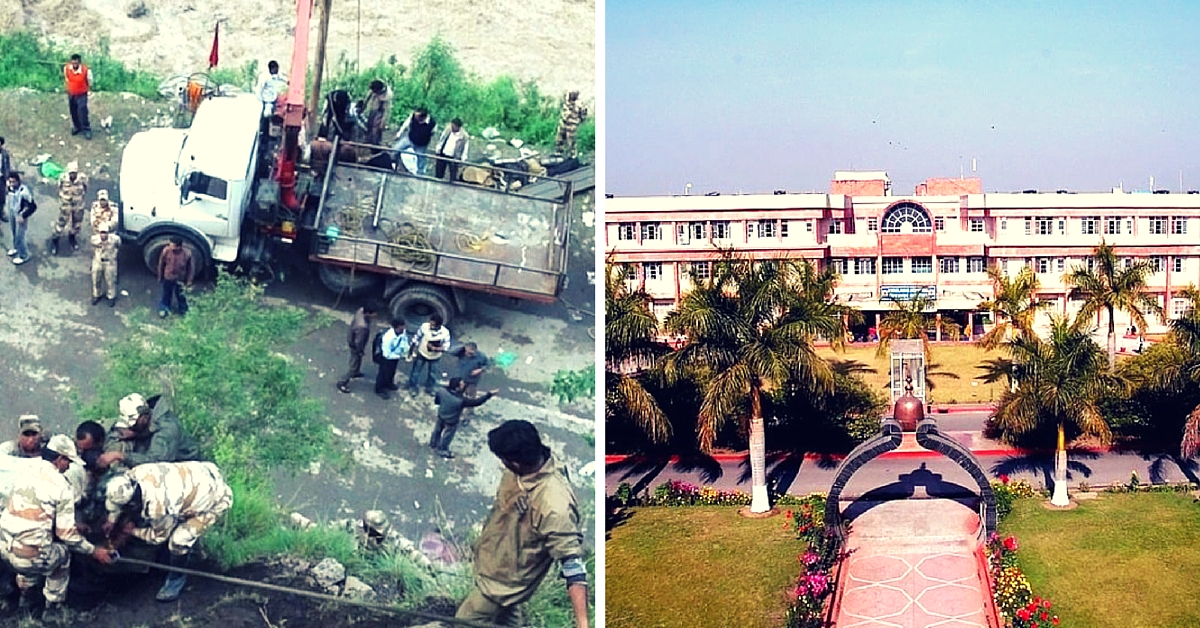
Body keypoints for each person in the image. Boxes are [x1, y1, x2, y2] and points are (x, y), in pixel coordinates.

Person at [455, 420, 588, 627]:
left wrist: (583, 624)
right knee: (507, 618)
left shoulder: (554, 505)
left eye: (502, 459)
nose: (501, 464)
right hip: (496, 561)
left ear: (515, 462)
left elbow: (572, 565)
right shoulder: (525, 468)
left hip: (502, 584)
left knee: (465, 621)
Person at [0, 435, 114, 621]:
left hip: (5, 547)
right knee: (62, 556)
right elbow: (67, 535)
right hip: (29, 556)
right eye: (68, 461)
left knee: (27, 548)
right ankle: (53, 609)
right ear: (60, 459)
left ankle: (26, 600)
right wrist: (93, 551)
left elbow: (32, 513)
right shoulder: (61, 486)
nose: (68, 466)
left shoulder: (27, 469)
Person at [104, 460, 232, 601]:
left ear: (133, 501)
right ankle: (194, 551)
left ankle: (176, 578)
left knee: (177, 541)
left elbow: (158, 537)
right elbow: (120, 504)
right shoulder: (134, 474)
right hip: (200, 475)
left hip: (214, 500)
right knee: (175, 519)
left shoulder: (157, 507)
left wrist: (133, 531)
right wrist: (112, 519)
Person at [96, 393, 202, 471]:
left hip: (187, 468)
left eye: (133, 424)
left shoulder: (168, 428)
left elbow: (157, 462)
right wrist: (137, 433)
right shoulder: (143, 424)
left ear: (144, 416)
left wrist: (121, 456)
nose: (131, 427)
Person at [430, 377, 498, 459]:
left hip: (441, 415)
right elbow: (476, 402)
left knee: (437, 430)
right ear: (457, 388)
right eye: (462, 384)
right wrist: (488, 394)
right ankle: (442, 450)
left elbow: (437, 401)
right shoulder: (460, 401)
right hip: (451, 420)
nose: (464, 385)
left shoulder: (441, 391)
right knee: (447, 436)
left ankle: (433, 443)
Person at [336, 302, 381, 394]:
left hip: (352, 337)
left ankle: (356, 372)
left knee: (357, 361)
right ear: (368, 313)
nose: (375, 315)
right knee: (354, 364)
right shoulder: (362, 327)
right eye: (374, 313)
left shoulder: (360, 311)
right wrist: (360, 351)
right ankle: (342, 382)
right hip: (355, 346)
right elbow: (359, 342)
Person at [408, 314, 451, 396]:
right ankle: (412, 387)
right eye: (430, 323)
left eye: (433, 325)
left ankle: (430, 388)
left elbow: (446, 346)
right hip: (422, 353)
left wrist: (436, 348)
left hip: (435, 356)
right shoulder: (424, 327)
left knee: (432, 374)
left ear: (439, 325)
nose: (430, 326)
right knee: (416, 371)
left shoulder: (445, 333)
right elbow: (417, 337)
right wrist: (412, 348)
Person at [51, 160, 88, 254]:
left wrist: (80, 198)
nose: (72, 175)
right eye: (71, 173)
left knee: (77, 224)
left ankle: (72, 238)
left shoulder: (83, 178)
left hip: (78, 205)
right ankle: (55, 241)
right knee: (60, 224)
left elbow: (86, 188)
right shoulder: (63, 178)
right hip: (66, 205)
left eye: (74, 173)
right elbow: (59, 188)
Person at [448, 342, 489, 416]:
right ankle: (456, 409)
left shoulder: (481, 356)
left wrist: (480, 370)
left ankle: (467, 415)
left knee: (470, 399)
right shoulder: (461, 352)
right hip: (460, 379)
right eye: (467, 352)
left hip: (472, 381)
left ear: (475, 351)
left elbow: (487, 365)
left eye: (470, 353)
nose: (468, 355)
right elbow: (450, 351)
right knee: (457, 395)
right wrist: (462, 347)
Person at [157, 236, 194, 318]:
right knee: (166, 294)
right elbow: (161, 264)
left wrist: (189, 281)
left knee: (181, 295)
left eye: (172, 245)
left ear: (178, 246)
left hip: (180, 279)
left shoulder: (187, 254)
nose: (170, 247)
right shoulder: (166, 251)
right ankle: (164, 308)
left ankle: (183, 310)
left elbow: (190, 268)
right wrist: (160, 276)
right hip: (168, 277)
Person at [375, 318, 412, 400]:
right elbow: (387, 354)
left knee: (391, 371)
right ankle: (379, 389)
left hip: (395, 356)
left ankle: (388, 383)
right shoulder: (388, 338)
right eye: (401, 328)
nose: (403, 329)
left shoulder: (402, 331)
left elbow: (404, 340)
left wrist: (406, 351)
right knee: (383, 373)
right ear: (396, 327)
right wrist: (400, 356)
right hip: (387, 358)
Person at [391, 107, 436, 174]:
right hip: (410, 139)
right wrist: (398, 134)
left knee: (421, 160)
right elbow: (405, 125)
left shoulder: (432, 123)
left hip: (421, 145)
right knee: (396, 149)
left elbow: (433, 132)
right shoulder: (412, 117)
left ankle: (420, 175)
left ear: (422, 117)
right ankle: (395, 164)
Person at [5, 171, 34, 265]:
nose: (12, 184)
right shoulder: (10, 188)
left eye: (14, 182)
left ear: (18, 181)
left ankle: (24, 255)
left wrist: (23, 216)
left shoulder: (24, 192)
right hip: (12, 213)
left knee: (20, 236)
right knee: (14, 232)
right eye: (10, 181)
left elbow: (32, 206)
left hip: (21, 216)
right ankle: (16, 248)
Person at [64, 53, 93, 140]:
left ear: (79, 62)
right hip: (71, 93)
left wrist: (88, 90)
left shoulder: (86, 71)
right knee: (73, 111)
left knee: (82, 111)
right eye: (73, 63)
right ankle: (77, 126)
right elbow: (67, 78)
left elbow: (90, 81)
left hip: (82, 94)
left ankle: (86, 129)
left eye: (76, 63)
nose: (74, 65)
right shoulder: (67, 68)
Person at [90, 224, 120, 307]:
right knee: (96, 279)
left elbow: (118, 246)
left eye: (105, 232)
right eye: (102, 232)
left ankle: (111, 296)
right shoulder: (94, 239)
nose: (103, 235)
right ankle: (96, 295)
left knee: (111, 280)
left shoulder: (115, 239)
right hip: (98, 261)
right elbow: (93, 248)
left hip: (110, 262)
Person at [434, 118, 470, 182]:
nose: (452, 128)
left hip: (454, 157)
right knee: (439, 173)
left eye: (454, 127)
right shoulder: (448, 130)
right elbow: (442, 139)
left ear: (458, 127)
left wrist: (463, 159)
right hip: (443, 154)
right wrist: (438, 150)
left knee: (453, 175)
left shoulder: (464, 136)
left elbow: (465, 149)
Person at [554, 91, 587, 156]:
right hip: (563, 123)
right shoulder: (566, 101)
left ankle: (572, 155)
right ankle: (558, 152)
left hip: (572, 125)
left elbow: (583, 114)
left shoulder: (580, 104)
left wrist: (579, 121)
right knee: (559, 138)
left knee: (571, 141)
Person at [363, 80, 393, 145]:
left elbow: (387, 111)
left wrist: (383, 122)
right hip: (373, 107)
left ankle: (376, 142)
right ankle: (368, 139)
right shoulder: (374, 88)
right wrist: (363, 106)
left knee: (376, 128)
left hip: (381, 110)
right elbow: (367, 98)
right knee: (369, 124)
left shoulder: (387, 95)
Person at [0, 137, 11, 211]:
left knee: (2, 196)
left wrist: (7, 179)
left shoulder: (4, 154)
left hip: (1, 177)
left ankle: (1, 212)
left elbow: (7, 167)